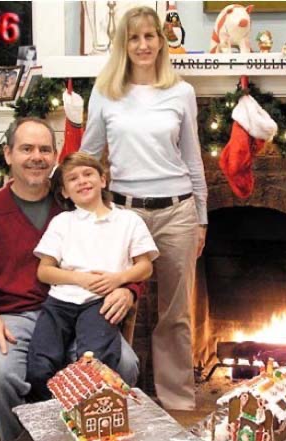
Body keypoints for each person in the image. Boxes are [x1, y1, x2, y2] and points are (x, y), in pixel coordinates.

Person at [0, 117, 142, 441]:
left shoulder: (74, 204)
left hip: (82, 309)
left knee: (124, 364)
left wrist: (129, 290)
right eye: (26, 149)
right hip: (14, 318)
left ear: (54, 157)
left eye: (44, 149)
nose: (36, 157)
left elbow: (124, 250)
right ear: (8, 154)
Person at [80, 6, 207, 411]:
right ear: (124, 44)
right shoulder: (105, 92)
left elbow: (193, 159)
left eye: (150, 36)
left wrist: (201, 218)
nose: (143, 45)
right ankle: (116, 395)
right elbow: (88, 155)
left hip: (177, 213)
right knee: (116, 303)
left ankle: (177, 403)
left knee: (175, 312)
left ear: (161, 40)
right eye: (134, 38)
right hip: (123, 213)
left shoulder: (181, 92)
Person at [27, 152, 159, 400]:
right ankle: (49, 419)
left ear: (103, 180)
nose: (82, 181)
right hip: (59, 303)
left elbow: (145, 266)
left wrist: (117, 279)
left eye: (88, 174)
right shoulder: (62, 222)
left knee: (95, 362)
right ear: (65, 192)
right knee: (40, 363)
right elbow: (44, 271)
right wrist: (80, 279)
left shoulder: (128, 221)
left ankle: (90, 418)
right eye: (73, 178)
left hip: (98, 303)